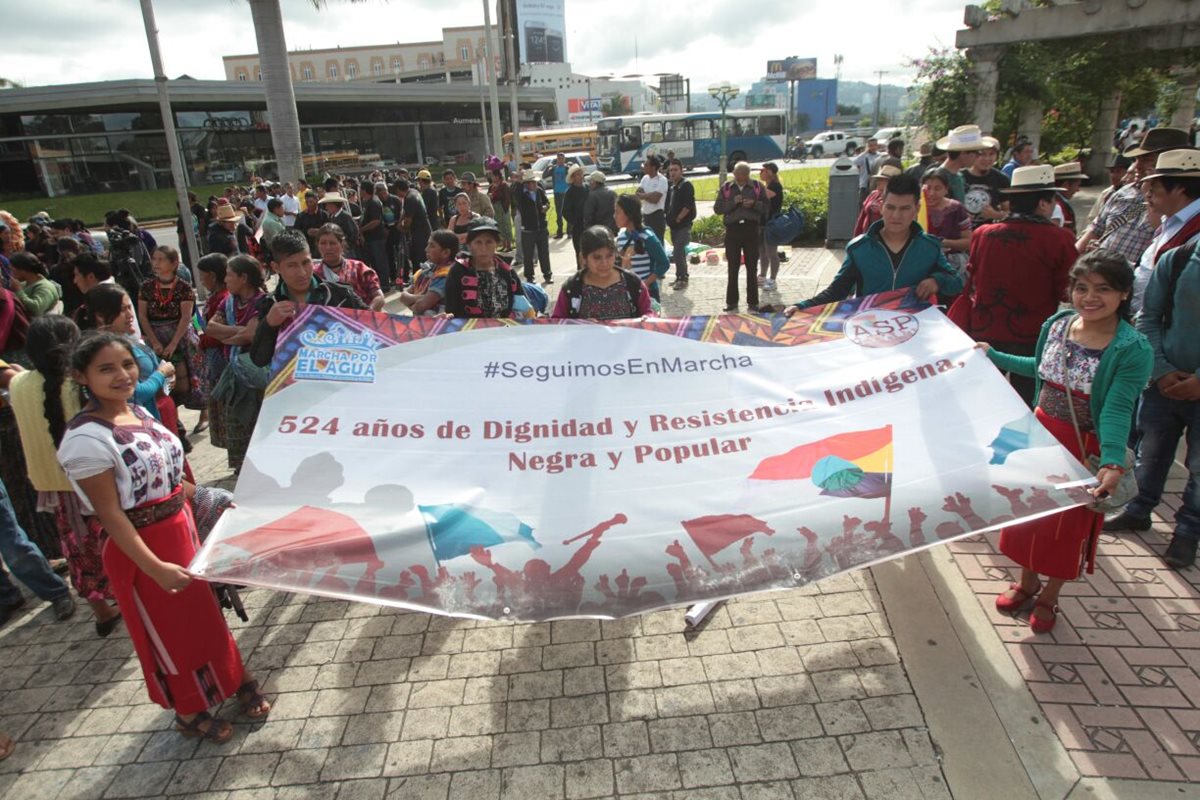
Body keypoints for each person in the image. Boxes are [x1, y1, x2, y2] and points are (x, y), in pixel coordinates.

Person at [58, 330, 270, 743]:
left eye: (127, 364)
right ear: (81, 376)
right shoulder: (85, 440)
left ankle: (233, 678)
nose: (122, 375)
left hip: (181, 532)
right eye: (106, 369)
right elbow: (111, 515)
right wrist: (154, 568)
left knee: (208, 617)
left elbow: (169, 480)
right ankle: (188, 712)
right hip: (142, 551)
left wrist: (213, 501)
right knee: (172, 635)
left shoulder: (138, 412)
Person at [981, 250, 1152, 632]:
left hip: (1082, 447)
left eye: (1103, 289)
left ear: (1124, 293)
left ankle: (1049, 596)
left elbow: (1117, 409)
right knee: (1027, 516)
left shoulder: (1132, 348)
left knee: (1064, 529)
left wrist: (1112, 461)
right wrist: (994, 356)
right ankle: (1027, 583)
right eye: (1082, 288)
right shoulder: (1057, 324)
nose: (1090, 298)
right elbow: (1040, 369)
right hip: (1037, 437)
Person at [1102, 153, 1200, 568]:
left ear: (1180, 188)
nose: (1146, 192)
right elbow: (1150, 312)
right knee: (1151, 449)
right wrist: (1159, 368)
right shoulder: (1176, 248)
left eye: (1154, 186)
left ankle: (1187, 532)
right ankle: (1139, 508)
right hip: (1162, 377)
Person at [9, 316, 121, 633]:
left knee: (77, 549)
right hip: (99, 482)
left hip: (58, 488)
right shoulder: (83, 385)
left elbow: (20, 378)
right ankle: (130, 600)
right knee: (116, 543)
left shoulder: (19, 385)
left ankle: (102, 612)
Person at [954, 165, 1079, 404]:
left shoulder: (983, 233)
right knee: (1026, 404)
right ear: (1043, 203)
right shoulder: (1059, 238)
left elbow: (974, 276)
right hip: (1032, 336)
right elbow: (1067, 291)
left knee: (980, 401)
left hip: (985, 330)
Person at [785, 174, 962, 315]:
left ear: (917, 209)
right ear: (882, 207)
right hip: (870, 329)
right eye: (891, 207)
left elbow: (956, 283)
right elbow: (837, 291)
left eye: (905, 208)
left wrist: (937, 280)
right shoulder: (859, 249)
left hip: (914, 331)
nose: (896, 215)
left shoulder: (929, 247)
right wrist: (801, 307)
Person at [250, 232, 368, 368]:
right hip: (296, 379)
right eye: (292, 265)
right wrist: (268, 324)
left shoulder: (341, 294)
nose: (302, 272)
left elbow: (375, 332)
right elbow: (259, 360)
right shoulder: (270, 305)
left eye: (306, 262)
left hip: (342, 374)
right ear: (276, 267)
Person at [81, 285, 178, 426]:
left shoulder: (127, 341)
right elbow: (135, 393)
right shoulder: (104, 351)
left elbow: (157, 365)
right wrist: (161, 374)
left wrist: (168, 373)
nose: (130, 315)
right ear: (100, 316)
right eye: (122, 310)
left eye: (129, 308)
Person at [205, 256, 267, 473]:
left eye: (230, 275)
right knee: (237, 420)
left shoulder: (263, 302)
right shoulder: (228, 303)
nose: (225, 279)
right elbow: (210, 328)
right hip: (232, 370)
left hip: (255, 371)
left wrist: (230, 335)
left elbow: (251, 336)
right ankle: (242, 467)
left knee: (256, 418)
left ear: (244, 278)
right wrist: (238, 332)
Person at [1128, 148, 1200, 315]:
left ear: (1180, 188)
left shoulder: (1195, 232)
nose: (1148, 195)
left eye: (1154, 187)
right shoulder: (1171, 221)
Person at [138, 246, 197, 410]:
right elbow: (142, 315)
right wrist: (154, 341)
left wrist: (173, 343)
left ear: (174, 263)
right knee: (162, 380)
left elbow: (185, 317)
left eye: (161, 259)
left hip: (180, 335)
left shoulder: (184, 287)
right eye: (154, 259)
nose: (156, 263)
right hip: (155, 335)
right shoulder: (146, 287)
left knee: (187, 380)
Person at [551, 226, 654, 320]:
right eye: (597, 257)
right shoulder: (572, 287)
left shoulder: (633, 283)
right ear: (584, 258)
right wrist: (580, 325)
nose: (604, 263)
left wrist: (647, 318)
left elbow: (649, 313)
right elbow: (557, 322)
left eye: (609, 255)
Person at [713, 162, 768, 312]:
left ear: (747, 175)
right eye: (736, 174)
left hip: (751, 230)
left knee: (752, 267)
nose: (738, 177)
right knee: (733, 267)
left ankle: (753, 302)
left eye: (741, 175)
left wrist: (754, 204)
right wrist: (733, 203)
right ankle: (731, 302)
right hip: (733, 230)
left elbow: (766, 207)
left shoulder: (757, 186)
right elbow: (717, 209)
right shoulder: (727, 187)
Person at [443, 219, 525, 319]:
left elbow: (524, 307)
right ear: (469, 245)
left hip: (504, 327)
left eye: (489, 242)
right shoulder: (458, 272)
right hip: (470, 328)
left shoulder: (508, 272)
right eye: (478, 242)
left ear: (497, 244)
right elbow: (451, 310)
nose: (483, 248)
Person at [190, 254, 229, 435]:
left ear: (212, 276)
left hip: (220, 356)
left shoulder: (223, 299)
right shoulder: (214, 297)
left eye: (202, 276)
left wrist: (203, 341)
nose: (201, 281)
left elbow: (219, 334)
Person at [315, 223, 385, 311]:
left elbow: (379, 297)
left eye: (332, 243)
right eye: (323, 243)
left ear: (342, 244)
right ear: (318, 245)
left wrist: (367, 312)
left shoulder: (359, 269)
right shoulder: (313, 275)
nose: (328, 248)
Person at [615, 194, 669, 302]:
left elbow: (664, 263)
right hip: (627, 295)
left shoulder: (648, 237)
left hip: (648, 294)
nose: (614, 216)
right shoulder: (621, 238)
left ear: (629, 214)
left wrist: (645, 284)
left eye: (617, 212)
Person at [920, 168, 972, 280]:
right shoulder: (915, 208)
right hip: (921, 264)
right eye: (928, 188)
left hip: (952, 265)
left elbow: (968, 242)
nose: (931, 193)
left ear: (946, 189)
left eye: (937, 188)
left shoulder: (956, 209)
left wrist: (943, 243)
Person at [400, 230, 457, 316]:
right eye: (428, 244)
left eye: (432, 246)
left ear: (445, 253)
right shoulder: (429, 268)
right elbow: (403, 296)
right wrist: (422, 298)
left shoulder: (446, 275)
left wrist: (412, 302)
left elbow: (421, 306)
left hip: (438, 322)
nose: (426, 249)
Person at [962, 136, 1010, 229]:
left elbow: (1010, 213)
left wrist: (995, 214)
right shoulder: (959, 177)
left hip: (989, 232)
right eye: (982, 154)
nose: (987, 159)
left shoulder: (1002, 179)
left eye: (991, 154)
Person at [516, 170, 553, 284]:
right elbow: (516, 196)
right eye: (531, 182)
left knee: (544, 253)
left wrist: (545, 207)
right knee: (528, 255)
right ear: (526, 184)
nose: (533, 185)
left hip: (541, 227)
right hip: (528, 229)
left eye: (534, 182)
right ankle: (530, 277)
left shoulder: (539, 191)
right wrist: (519, 181)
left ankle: (547, 275)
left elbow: (547, 202)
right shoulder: (521, 193)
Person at [665, 159, 696, 289]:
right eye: (671, 170)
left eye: (675, 170)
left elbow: (688, 205)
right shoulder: (671, 187)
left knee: (677, 251)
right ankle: (681, 276)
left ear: (681, 171)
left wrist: (678, 218)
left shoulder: (686, 185)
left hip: (683, 225)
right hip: (674, 226)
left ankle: (682, 279)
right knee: (680, 253)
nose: (672, 173)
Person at [394, 179, 432, 286]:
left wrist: (402, 228)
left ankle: (420, 283)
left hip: (419, 233)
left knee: (418, 260)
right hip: (424, 230)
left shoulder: (410, 199)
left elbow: (408, 220)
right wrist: (400, 221)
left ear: (398, 189)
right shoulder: (414, 192)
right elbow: (406, 211)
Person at [933, 125, 983, 201]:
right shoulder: (938, 179)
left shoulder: (958, 176)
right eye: (977, 153)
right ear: (963, 153)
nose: (978, 157)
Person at [757, 162, 786, 291]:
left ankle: (773, 279)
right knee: (762, 251)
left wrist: (753, 185)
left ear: (769, 172)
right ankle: (762, 276)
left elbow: (764, 195)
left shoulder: (775, 186)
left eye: (762, 171)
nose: (760, 173)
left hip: (771, 225)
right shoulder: (767, 185)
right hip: (763, 224)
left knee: (771, 253)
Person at [854, 165, 901, 237]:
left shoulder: (898, 199)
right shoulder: (874, 194)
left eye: (882, 180)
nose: (878, 181)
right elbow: (861, 218)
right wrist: (856, 238)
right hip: (867, 236)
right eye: (878, 179)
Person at [9, 252, 62, 318]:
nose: (11, 272)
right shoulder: (24, 284)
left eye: (12, 268)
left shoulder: (45, 287)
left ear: (23, 269)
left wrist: (19, 291)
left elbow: (36, 309)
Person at [561, 165, 590, 266]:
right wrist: (575, 222)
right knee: (580, 251)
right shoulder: (570, 192)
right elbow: (565, 211)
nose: (581, 176)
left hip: (589, 225)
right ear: (573, 177)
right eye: (578, 175)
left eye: (581, 174)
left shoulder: (587, 188)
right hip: (578, 227)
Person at [635, 155, 669, 241]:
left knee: (657, 242)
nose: (644, 167)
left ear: (653, 167)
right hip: (645, 216)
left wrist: (644, 195)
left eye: (646, 165)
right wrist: (650, 195)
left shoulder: (662, 180)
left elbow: (655, 199)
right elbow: (637, 194)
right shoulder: (645, 178)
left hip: (656, 216)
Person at [1051, 162, 1087, 233]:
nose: (1078, 190)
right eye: (1077, 185)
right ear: (1066, 185)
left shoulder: (1055, 202)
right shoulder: (1058, 206)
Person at [292, 190, 328, 258]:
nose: (309, 204)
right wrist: (306, 232)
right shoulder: (301, 216)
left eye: (311, 202)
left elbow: (329, 229)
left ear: (316, 201)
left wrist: (319, 231)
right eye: (307, 202)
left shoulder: (324, 215)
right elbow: (295, 231)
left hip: (321, 247)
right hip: (306, 247)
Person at [488, 168, 514, 251]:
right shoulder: (491, 186)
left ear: (498, 176)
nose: (492, 178)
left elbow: (507, 196)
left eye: (493, 176)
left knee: (506, 225)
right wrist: (490, 196)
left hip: (503, 207)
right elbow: (488, 195)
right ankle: (503, 244)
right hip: (495, 208)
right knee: (499, 226)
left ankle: (509, 245)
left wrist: (495, 196)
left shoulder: (504, 185)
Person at [852, 138, 882, 204]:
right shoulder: (864, 156)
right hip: (865, 184)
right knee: (862, 203)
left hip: (876, 184)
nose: (873, 147)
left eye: (875, 145)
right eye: (871, 145)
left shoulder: (879, 155)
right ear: (867, 146)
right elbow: (853, 164)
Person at [551, 154, 570, 238]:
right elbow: (544, 175)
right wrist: (549, 167)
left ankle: (569, 232)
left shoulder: (567, 168)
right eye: (559, 158)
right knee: (558, 213)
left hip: (565, 192)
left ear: (564, 159)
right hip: (557, 192)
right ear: (557, 159)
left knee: (568, 212)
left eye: (562, 158)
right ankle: (560, 232)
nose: (561, 160)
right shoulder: (554, 168)